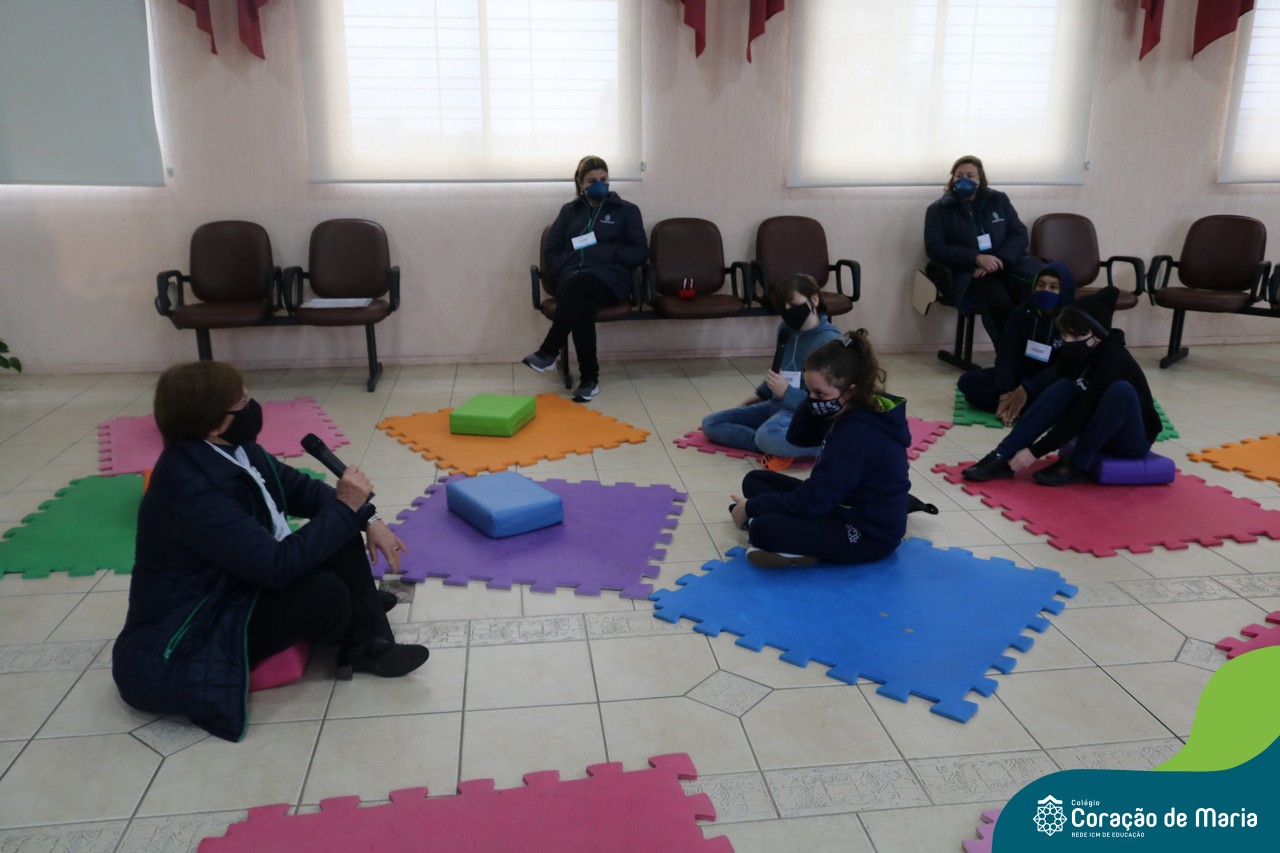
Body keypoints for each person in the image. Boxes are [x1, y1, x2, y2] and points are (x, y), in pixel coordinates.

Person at [113, 361, 429, 742]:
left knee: (339, 523)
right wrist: (348, 510)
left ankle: (366, 641)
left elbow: (305, 491)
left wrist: (368, 517)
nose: (252, 406)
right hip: (201, 624)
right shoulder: (190, 487)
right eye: (241, 402)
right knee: (327, 591)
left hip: (235, 582)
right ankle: (353, 610)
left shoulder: (236, 450)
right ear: (213, 424)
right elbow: (275, 568)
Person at [728, 331, 911, 568]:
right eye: (809, 391)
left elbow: (813, 501)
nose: (813, 399)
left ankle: (783, 539)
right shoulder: (846, 407)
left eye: (819, 394)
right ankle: (771, 523)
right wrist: (813, 397)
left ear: (851, 391)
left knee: (764, 529)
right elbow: (798, 436)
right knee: (755, 481)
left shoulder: (857, 435)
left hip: (868, 533)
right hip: (838, 504)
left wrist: (751, 507)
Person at [961, 287, 1162, 486]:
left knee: (1121, 391)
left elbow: (1084, 412)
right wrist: (1024, 389)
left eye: (1075, 337)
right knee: (1065, 386)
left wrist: (1035, 452)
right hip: (1094, 429)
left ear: (1097, 337)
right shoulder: (1076, 351)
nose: (1068, 341)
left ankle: (1077, 464)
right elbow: (1051, 380)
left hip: (1129, 441)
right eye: (1065, 335)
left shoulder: (1114, 360)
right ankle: (1002, 455)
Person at [523, 155, 649, 402]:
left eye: (604, 179)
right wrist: (563, 267)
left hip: (610, 280)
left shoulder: (626, 211)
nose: (599, 184)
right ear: (580, 183)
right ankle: (589, 381)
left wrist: (610, 251)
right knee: (582, 303)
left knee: (580, 286)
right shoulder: (569, 212)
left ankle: (549, 350)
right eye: (592, 181)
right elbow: (552, 250)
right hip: (573, 279)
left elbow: (641, 252)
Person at [701, 274, 842, 469]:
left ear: (814, 300)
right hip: (775, 404)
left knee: (768, 435)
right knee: (711, 423)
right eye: (783, 307)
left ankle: (822, 446)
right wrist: (757, 396)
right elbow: (779, 370)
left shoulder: (830, 342)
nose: (788, 311)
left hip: (803, 412)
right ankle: (771, 444)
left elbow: (827, 404)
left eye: (793, 304)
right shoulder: (786, 329)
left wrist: (787, 394)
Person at [924, 155, 1043, 342]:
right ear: (952, 179)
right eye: (959, 176)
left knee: (1032, 293)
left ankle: (1035, 348)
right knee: (1000, 302)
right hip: (969, 272)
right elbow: (935, 248)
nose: (964, 180)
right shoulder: (938, 209)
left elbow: (1019, 233)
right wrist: (976, 258)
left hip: (1005, 265)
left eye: (970, 175)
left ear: (980, 179)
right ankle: (1006, 351)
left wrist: (999, 260)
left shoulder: (998, 200)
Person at [957, 261, 1077, 425]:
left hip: (1051, 380)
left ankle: (1021, 405)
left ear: (1065, 290)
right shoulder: (1022, 312)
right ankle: (1021, 406)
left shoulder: (1073, 320)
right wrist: (1004, 392)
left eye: (1053, 287)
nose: (1045, 291)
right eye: (1041, 285)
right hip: (1022, 374)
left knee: (1069, 396)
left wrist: (1027, 389)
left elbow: (1063, 367)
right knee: (968, 383)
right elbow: (1008, 354)